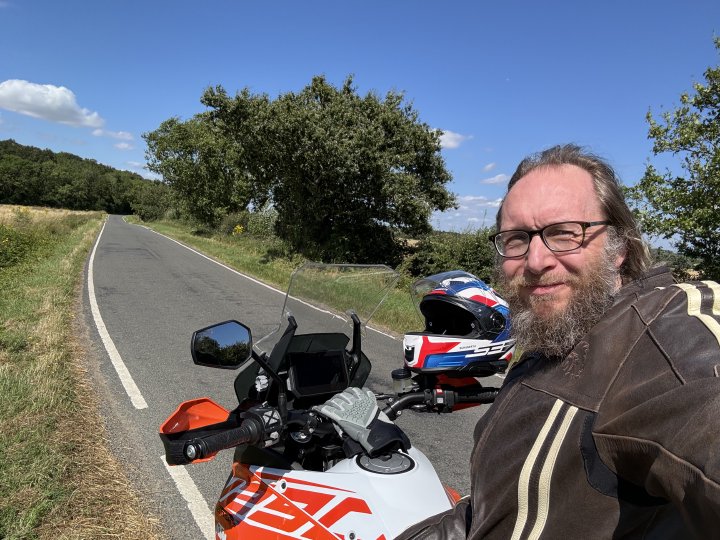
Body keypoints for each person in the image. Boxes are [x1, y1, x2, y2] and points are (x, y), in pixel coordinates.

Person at [396, 144, 720, 539]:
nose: (535, 262)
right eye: (517, 239)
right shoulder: (556, 335)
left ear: (618, 248)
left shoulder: (658, 335)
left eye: (564, 234)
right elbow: (495, 510)